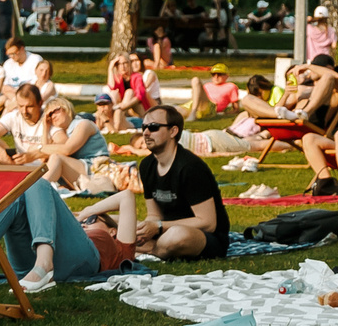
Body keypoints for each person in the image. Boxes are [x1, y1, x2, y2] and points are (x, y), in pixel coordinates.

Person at [76, 103, 228, 266]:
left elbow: (208, 222)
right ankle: (139, 244)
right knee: (102, 219)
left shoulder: (190, 168)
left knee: (177, 235)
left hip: (203, 236)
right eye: (144, 127)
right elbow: (154, 215)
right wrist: (146, 230)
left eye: (154, 127)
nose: (146, 132)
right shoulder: (147, 165)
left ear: (173, 131)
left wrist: (159, 227)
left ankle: (143, 248)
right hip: (164, 229)